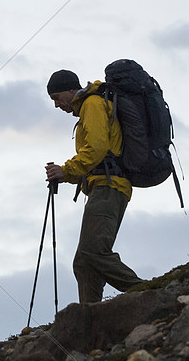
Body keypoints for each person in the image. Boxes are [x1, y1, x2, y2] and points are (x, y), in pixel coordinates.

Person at [44, 69, 143, 303]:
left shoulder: (92, 104)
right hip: (105, 185)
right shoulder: (91, 106)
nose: (57, 105)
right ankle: (90, 315)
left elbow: (97, 148)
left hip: (109, 187)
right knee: (83, 262)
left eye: (57, 98)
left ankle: (149, 292)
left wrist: (66, 169)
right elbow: (98, 156)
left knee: (93, 252)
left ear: (71, 90)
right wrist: (66, 175)